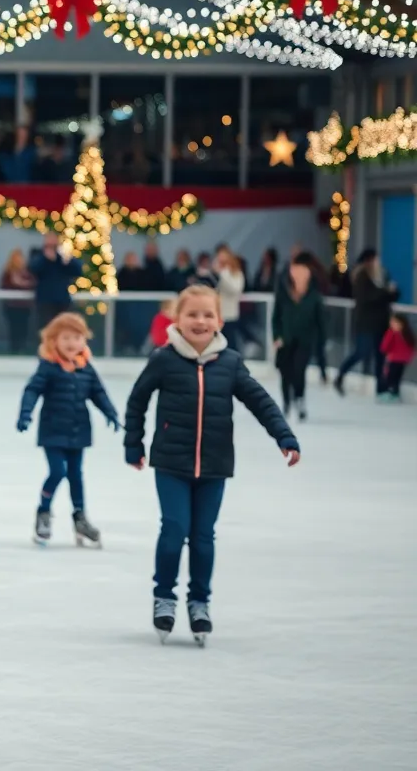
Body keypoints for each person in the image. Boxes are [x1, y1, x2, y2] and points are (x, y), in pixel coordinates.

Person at [124, 285, 299, 645]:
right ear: (178, 319)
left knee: (203, 538)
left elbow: (261, 402)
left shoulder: (231, 363)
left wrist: (284, 436)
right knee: (174, 530)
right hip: (171, 463)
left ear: (219, 321)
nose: (200, 321)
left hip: (215, 466)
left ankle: (200, 602)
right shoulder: (164, 358)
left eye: (208, 315)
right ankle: (164, 598)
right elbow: (137, 401)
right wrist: (134, 446)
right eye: (192, 314)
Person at [17, 312, 120, 547]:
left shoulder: (86, 368)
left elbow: (98, 393)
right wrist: (26, 414)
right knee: (58, 471)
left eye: (77, 337)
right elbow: (32, 390)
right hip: (53, 431)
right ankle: (43, 513)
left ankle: (80, 517)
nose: (72, 343)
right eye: (66, 338)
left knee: (76, 475)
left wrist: (110, 412)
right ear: (53, 341)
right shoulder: (49, 367)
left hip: (79, 430)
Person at [334, 249, 398, 397]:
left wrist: (390, 293)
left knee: (380, 355)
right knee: (362, 352)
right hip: (366, 324)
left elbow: (387, 294)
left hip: (379, 324)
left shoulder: (379, 276)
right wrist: (387, 292)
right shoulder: (362, 277)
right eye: (375, 259)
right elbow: (371, 297)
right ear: (369, 260)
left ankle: (380, 387)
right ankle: (340, 375)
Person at [272, 252, 327, 421]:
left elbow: (321, 322)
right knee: (285, 372)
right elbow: (276, 316)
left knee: (299, 370)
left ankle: (299, 399)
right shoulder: (283, 292)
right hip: (285, 339)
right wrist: (277, 336)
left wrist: (320, 342)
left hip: (305, 339)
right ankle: (287, 402)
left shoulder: (314, 296)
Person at [28, 233, 82, 328]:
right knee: (46, 328)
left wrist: (67, 260)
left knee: (63, 328)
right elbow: (32, 268)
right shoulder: (38, 255)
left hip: (62, 300)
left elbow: (78, 271)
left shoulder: (63, 256)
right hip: (45, 301)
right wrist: (45, 258)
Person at [214, 248, 245, 351]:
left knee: (231, 344)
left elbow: (235, 289)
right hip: (218, 314)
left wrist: (223, 273)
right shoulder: (220, 274)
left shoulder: (236, 274)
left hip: (230, 314)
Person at [379, 313, 415, 402]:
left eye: (395, 322)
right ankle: (394, 394)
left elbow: (384, 346)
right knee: (396, 377)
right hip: (401, 360)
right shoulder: (406, 334)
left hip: (395, 359)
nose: (392, 324)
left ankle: (391, 394)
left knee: (391, 377)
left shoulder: (393, 333)